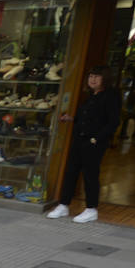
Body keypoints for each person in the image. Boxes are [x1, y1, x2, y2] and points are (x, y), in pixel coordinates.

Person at [47, 65, 121, 224]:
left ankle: (91, 209)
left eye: (96, 76)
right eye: (90, 77)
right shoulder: (90, 95)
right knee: (70, 172)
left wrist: (96, 139)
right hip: (79, 139)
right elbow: (86, 119)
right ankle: (63, 204)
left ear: (105, 79)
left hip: (94, 142)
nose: (92, 80)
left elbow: (113, 122)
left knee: (90, 175)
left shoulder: (111, 96)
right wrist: (72, 120)